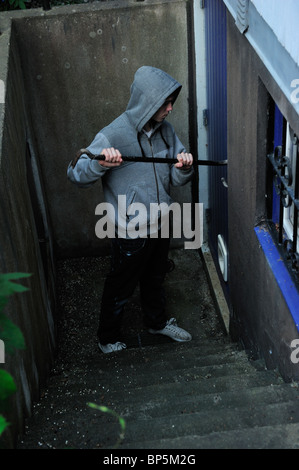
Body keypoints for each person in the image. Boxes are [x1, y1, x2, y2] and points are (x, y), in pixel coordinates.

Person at [67, 66, 194, 354]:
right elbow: (75, 174)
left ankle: (157, 322)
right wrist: (100, 164)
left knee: (156, 277)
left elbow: (176, 179)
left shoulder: (167, 133)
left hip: (162, 223)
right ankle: (107, 337)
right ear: (147, 101)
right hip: (130, 232)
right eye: (165, 103)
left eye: (172, 102)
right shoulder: (112, 135)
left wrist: (184, 169)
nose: (170, 109)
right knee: (120, 287)